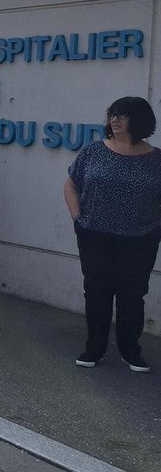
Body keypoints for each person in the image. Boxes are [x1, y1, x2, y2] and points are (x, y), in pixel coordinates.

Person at [64, 97, 161, 373]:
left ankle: (131, 351)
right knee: (97, 292)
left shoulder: (156, 159)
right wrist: (77, 218)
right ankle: (94, 348)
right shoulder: (94, 151)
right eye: (112, 115)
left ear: (139, 120)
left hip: (140, 238)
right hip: (95, 234)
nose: (115, 120)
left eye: (123, 115)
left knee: (132, 294)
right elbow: (71, 184)